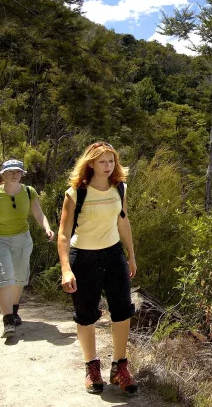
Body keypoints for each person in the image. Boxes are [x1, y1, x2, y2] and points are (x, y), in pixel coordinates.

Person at [57, 142, 138, 395]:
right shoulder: (75, 193)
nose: (108, 166)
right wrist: (66, 269)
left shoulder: (119, 188)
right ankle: (92, 368)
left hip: (113, 254)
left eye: (111, 161)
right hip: (83, 257)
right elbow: (63, 234)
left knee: (122, 310)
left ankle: (119, 367)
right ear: (90, 163)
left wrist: (131, 256)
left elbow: (123, 222)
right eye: (102, 161)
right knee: (86, 314)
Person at [0, 159, 55, 338]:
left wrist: (47, 228)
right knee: (4, 275)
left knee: (19, 277)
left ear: (22, 174)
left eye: (18, 171)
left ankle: (14, 310)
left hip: (22, 239)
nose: (14, 174)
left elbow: (38, 213)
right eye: (10, 171)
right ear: (3, 174)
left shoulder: (29, 191)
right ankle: (8, 320)